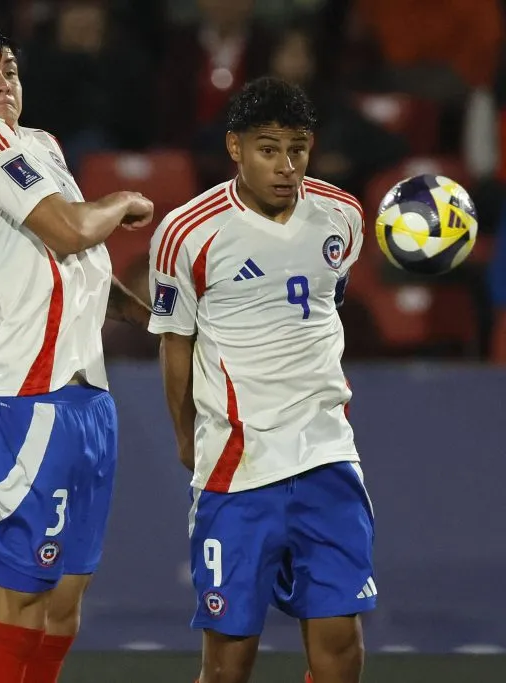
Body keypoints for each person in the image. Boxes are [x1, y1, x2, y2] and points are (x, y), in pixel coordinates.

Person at [0, 26, 155, 683]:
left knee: (62, 606)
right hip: (31, 397)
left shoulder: (41, 146)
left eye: (11, 70)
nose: (3, 81)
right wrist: (123, 200)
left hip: (88, 395)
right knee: (22, 599)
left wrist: (159, 320)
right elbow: (67, 228)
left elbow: (82, 261)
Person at [149, 77, 373, 683]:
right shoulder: (186, 234)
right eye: (268, 149)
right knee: (228, 665)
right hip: (237, 468)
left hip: (327, 458)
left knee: (341, 648)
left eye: (297, 148)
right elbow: (176, 345)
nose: (286, 165)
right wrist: (185, 436)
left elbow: (330, 303)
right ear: (234, 148)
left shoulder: (342, 216)